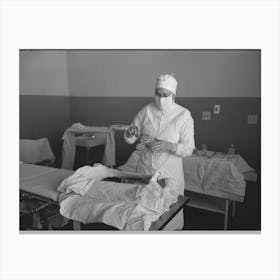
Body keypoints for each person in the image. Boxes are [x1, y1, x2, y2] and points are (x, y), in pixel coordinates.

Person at [123, 73, 195, 230]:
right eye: (158, 94)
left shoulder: (183, 115)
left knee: (168, 216)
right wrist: (130, 134)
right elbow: (131, 136)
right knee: (143, 214)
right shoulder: (146, 110)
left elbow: (189, 148)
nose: (161, 99)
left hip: (169, 174)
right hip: (145, 170)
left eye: (165, 95)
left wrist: (170, 146)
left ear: (173, 94)